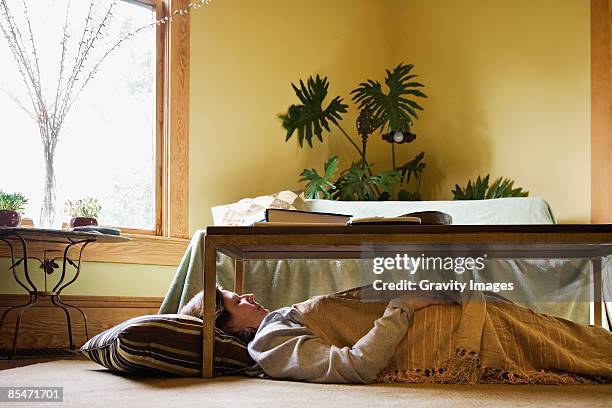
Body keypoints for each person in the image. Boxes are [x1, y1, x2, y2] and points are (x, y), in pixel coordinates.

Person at [179, 286, 443, 383]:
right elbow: (358, 365)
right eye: (238, 302)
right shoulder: (268, 343)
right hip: (430, 324)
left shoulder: (276, 327)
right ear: (230, 328)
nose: (250, 296)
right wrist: (402, 305)